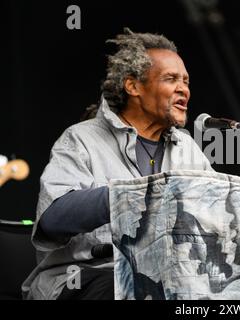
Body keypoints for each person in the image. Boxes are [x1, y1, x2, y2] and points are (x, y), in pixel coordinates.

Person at [22, 28, 213, 300]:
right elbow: (52, 219)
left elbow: (218, 211)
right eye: (171, 79)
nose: (184, 89)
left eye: (186, 81)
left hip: (170, 278)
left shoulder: (187, 149)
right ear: (133, 86)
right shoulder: (81, 138)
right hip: (84, 276)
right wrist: (131, 196)